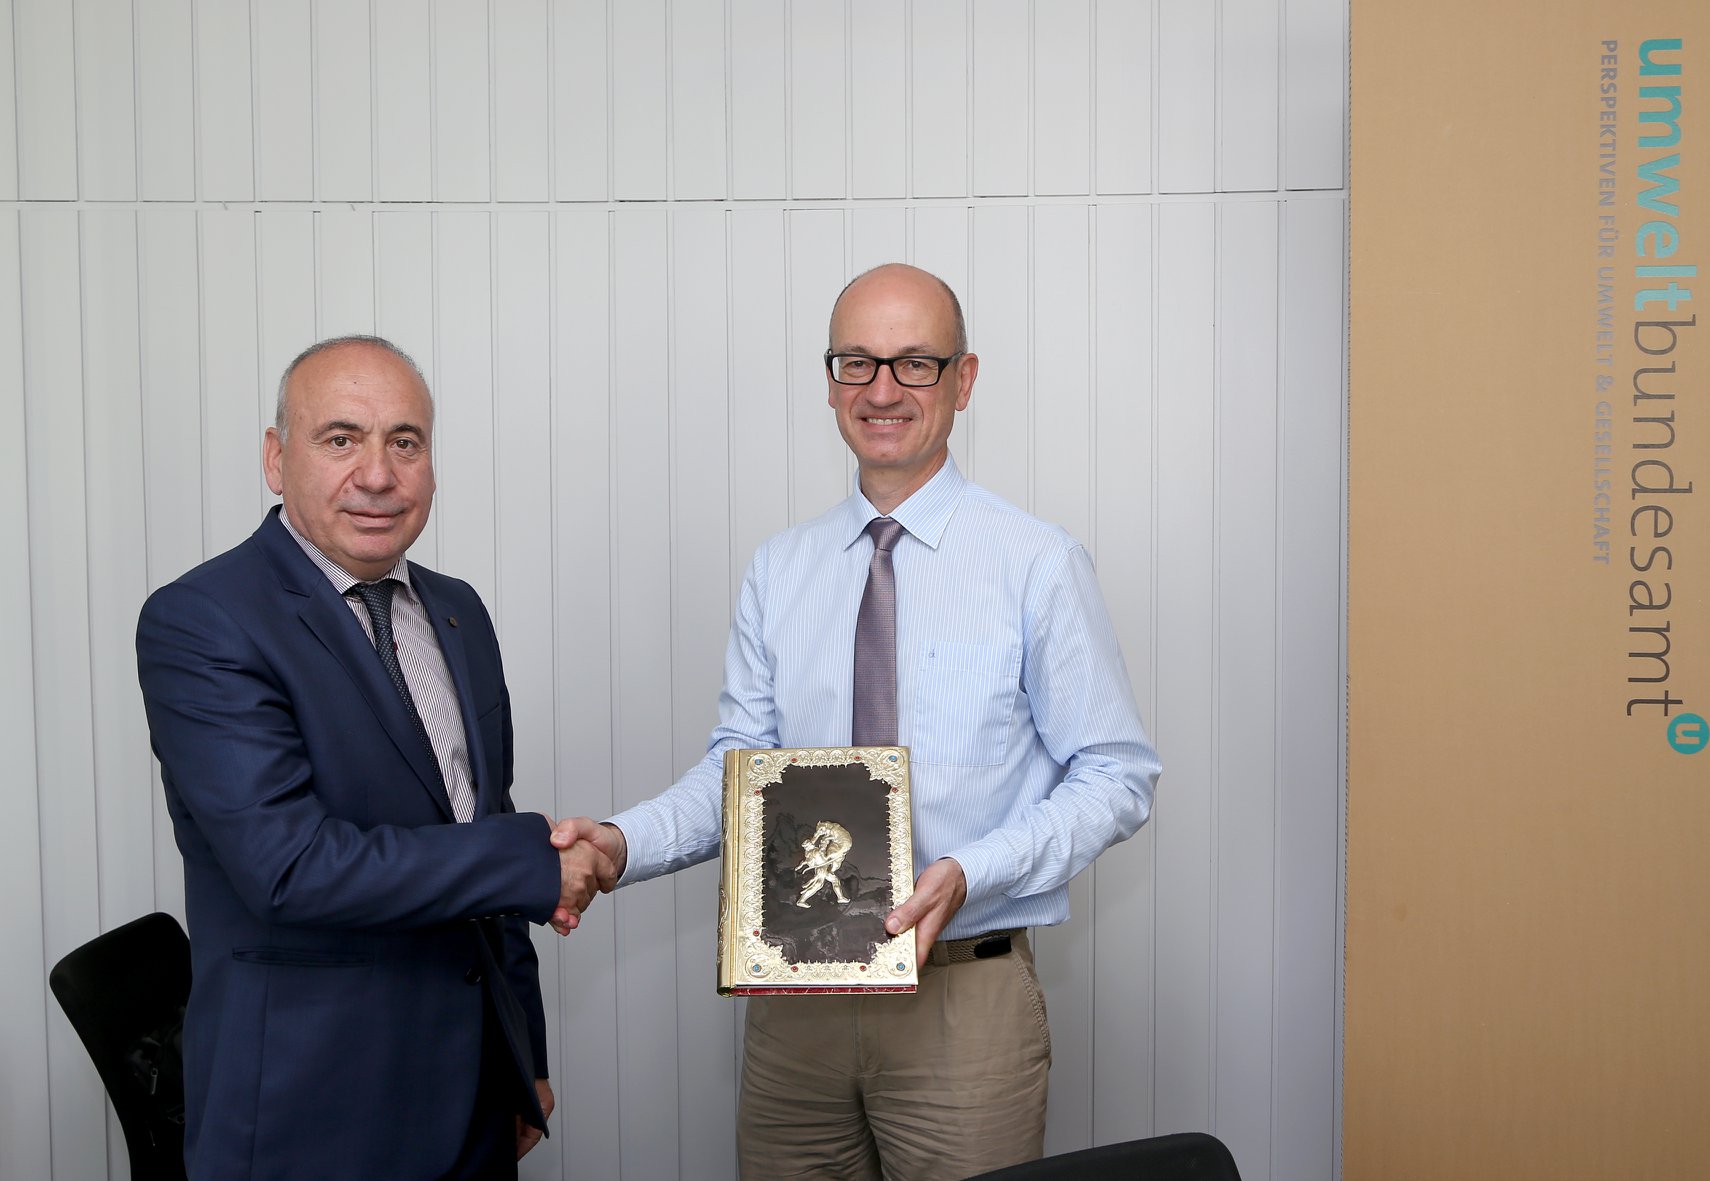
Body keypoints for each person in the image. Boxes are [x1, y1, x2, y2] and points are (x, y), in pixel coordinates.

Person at [553, 264, 1161, 1180]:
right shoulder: (780, 570)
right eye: (857, 362)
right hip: (793, 1009)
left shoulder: (1037, 564)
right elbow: (739, 776)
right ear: (831, 381)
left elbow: (1117, 774)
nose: (882, 389)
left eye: (915, 362)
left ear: (963, 379)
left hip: (964, 1002)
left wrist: (973, 871)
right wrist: (618, 842)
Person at [136, 336, 615, 1180]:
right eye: (341, 438)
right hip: (310, 1113)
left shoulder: (458, 611)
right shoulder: (203, 620)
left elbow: (482, 819)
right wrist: (536, 861)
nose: (378, 474)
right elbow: (289, 867)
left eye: (405, 441)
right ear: (276, 459)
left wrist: (522, 1056)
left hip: (473, 1095)